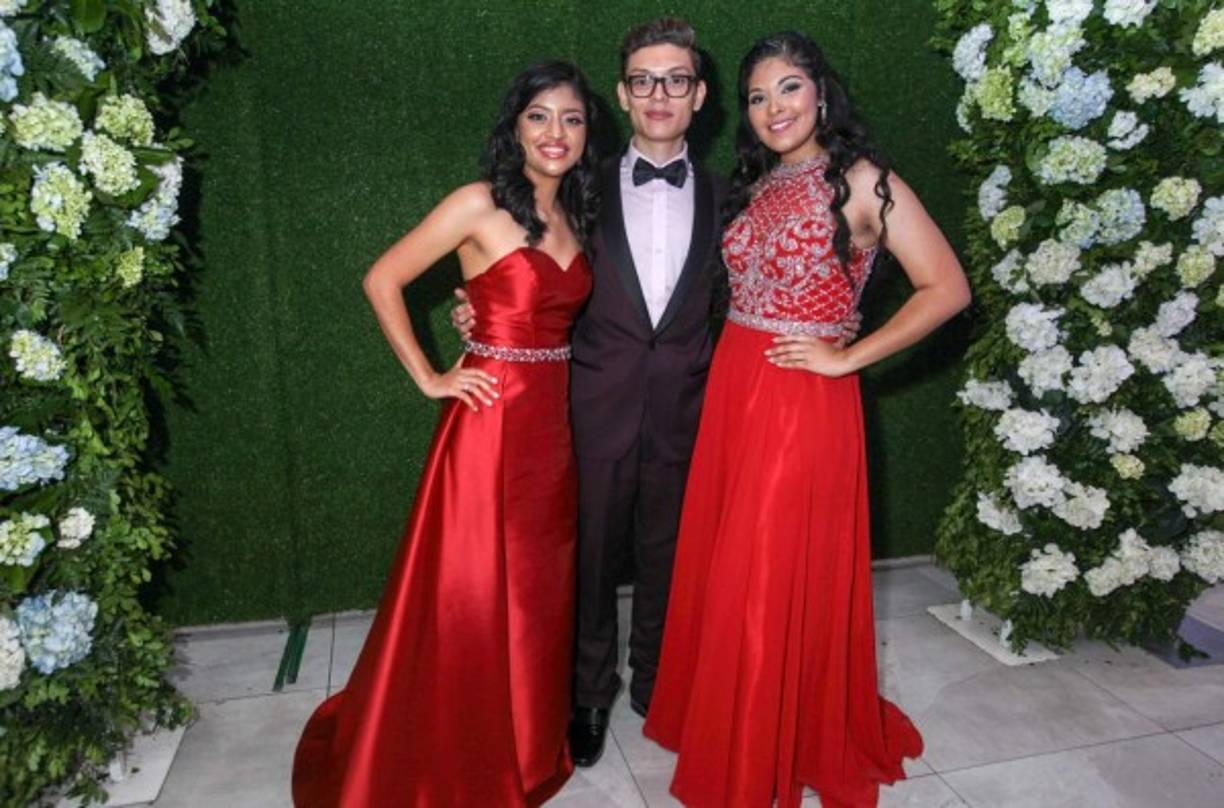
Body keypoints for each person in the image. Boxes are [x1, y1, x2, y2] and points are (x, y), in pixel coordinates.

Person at [643, 31, 971, 808]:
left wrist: (846, 356)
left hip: (802, 400)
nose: (773, 108)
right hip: (736, 388)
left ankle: (763, 746)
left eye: (788, 88)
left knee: (770, 570)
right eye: (757, 98)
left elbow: (947, 288)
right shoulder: (758, 183)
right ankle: (728, 721)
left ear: (822, 93)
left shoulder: (865, 180)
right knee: (731, 563)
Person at [291, 60, 598, 808]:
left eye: (572, 118)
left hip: (549, 435)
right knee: (472, 592)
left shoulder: (573, 215)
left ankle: (525, 746)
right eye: (539, 116)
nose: (555, 133)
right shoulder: (476, 202)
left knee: (535, 594)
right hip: (488, 428)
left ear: (589, 132)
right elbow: (382, 279)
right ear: (514, 127)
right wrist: (430, 376)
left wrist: (480, 314)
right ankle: (461, 744)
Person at [453, 17, 727, 768]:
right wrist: (476, 308)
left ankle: (660, 684)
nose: (659, 94)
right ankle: (589, 693)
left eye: (676, 79)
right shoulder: (577, 185)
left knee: (671, 559)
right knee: (590, 562)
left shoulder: (729, 194)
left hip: (688, 412)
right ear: (623, 94)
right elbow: (523, 271)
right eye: (643, 80)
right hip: (590, 410)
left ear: (699, 95)